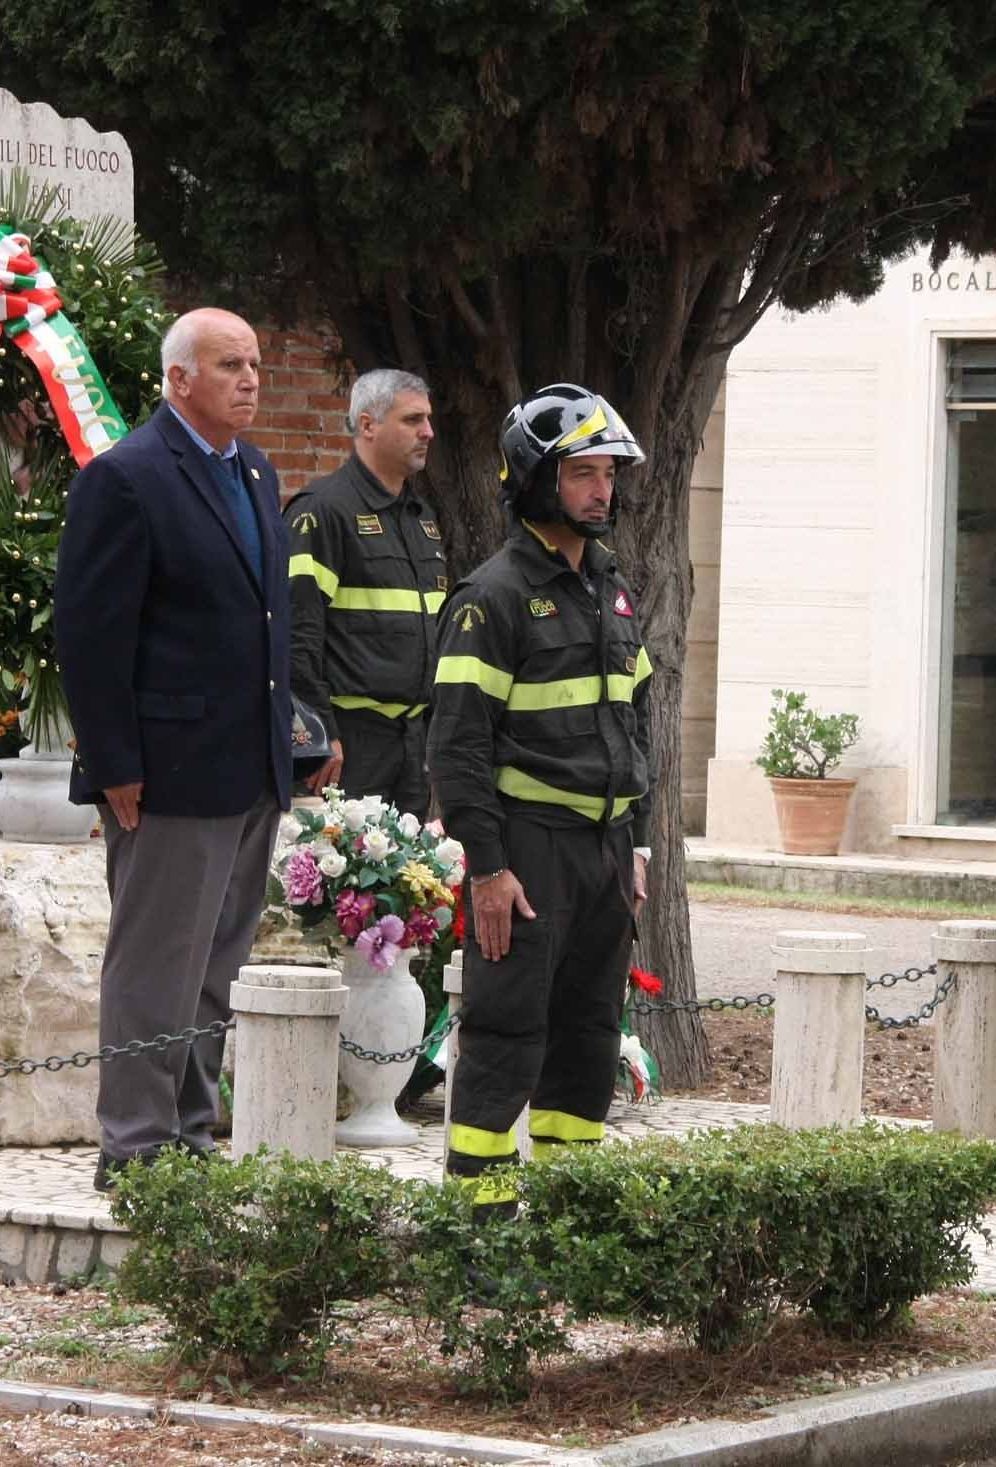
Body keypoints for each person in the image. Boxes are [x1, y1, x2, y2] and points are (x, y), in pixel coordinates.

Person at [54, 308, 292, 1192]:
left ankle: (191, 1129)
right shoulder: (128, 477)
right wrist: (114, 759)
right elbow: (89, 630)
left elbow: (267, 619)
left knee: (215, 964)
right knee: (156, 962)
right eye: (231, 363)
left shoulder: (257, 472)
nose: (250, 378)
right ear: (179, 378)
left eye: (256, 363)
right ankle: (136, 1143)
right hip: (165, 773)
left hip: (248, 766)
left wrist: (290, 736)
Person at [427, 383, 653, 1214]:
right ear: (535, 478)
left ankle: (569, 1215)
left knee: (589, 1037)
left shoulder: (612, 588)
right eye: (584, 473)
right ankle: (479, 1219)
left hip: (601, 851)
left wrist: (636, 846)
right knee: (506, 1033)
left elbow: (638, 725)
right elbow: (456, 747)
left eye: (608, 474)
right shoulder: (491, 597)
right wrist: (488, 868)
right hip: (526, 851)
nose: (603, 491)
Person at [285, 369, 445, 813]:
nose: (428, 432)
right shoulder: (322, 511)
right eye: (412, 420)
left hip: (413, 745)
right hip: (350, 744)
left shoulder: (421, 518)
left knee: (410, 880)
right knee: (344, 880)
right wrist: (319, 731)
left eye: (428, 419)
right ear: (368, 425)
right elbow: (297, 634)